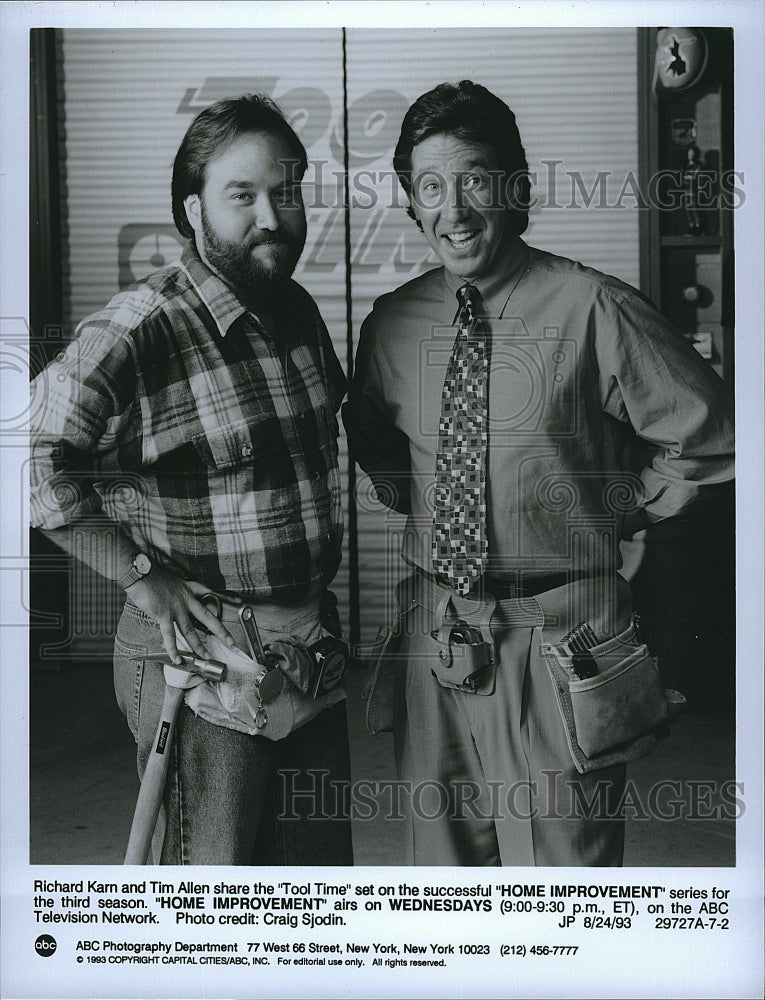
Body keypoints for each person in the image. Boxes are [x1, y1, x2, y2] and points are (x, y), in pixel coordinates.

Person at [343, 80, 734, 866]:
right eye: (430, 188)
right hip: (437, 633)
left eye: (476, 181)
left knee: (565, 885)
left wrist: (621, 511)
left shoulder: (593, 307)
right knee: (441, 878)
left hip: (564, 636)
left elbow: (710, 438)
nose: (454, 209)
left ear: (517, 190)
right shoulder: (389, 323)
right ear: (412, 206)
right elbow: (376, 443)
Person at [29, 94, 353, 866]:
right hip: (203, 662)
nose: (271, 217)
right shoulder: (140, 326)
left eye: (285, 191)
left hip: (308, 648)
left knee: (313, 899)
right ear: (193, 207)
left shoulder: (298, 310)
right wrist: (140, 577)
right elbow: (24, 458)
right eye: (242, 195)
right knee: (212, 902)